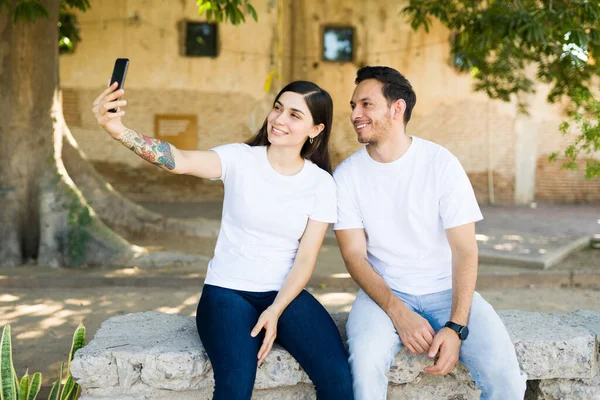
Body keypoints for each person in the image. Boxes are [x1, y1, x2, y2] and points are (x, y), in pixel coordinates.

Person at [92, 80, 354, 400]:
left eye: (294, 115)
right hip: (227, 294)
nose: (279, 119)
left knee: (339, 381)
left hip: (285, 294)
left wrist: (275, 311)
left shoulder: (321, 184)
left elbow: (305, 259)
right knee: (234, 386)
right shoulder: (239, 159)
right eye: (278, 107)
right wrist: (118, 129)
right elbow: (178, 159)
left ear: (316, 129)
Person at [333, 66, 527, 400]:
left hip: (445, 291)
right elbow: (353, 255)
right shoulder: (347, 176)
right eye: (353, 106)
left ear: (397, 108)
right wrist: (397, 312)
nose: (355, 114)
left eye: (366, 104)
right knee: (363, 372)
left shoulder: (441, 163)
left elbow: (465, 250)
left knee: (507, 380)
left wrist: (455, 326)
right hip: (382, 296)